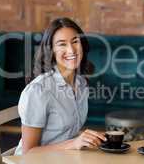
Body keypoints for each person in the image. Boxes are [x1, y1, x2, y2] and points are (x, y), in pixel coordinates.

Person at [15, 17, 106, 155]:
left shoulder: (81, 83)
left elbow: (66, 134)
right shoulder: (38, 90)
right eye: (62, 44)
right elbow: (28, 152)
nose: (71, 50)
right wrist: (74, 143)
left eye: (75, 41)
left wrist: (90, 139)